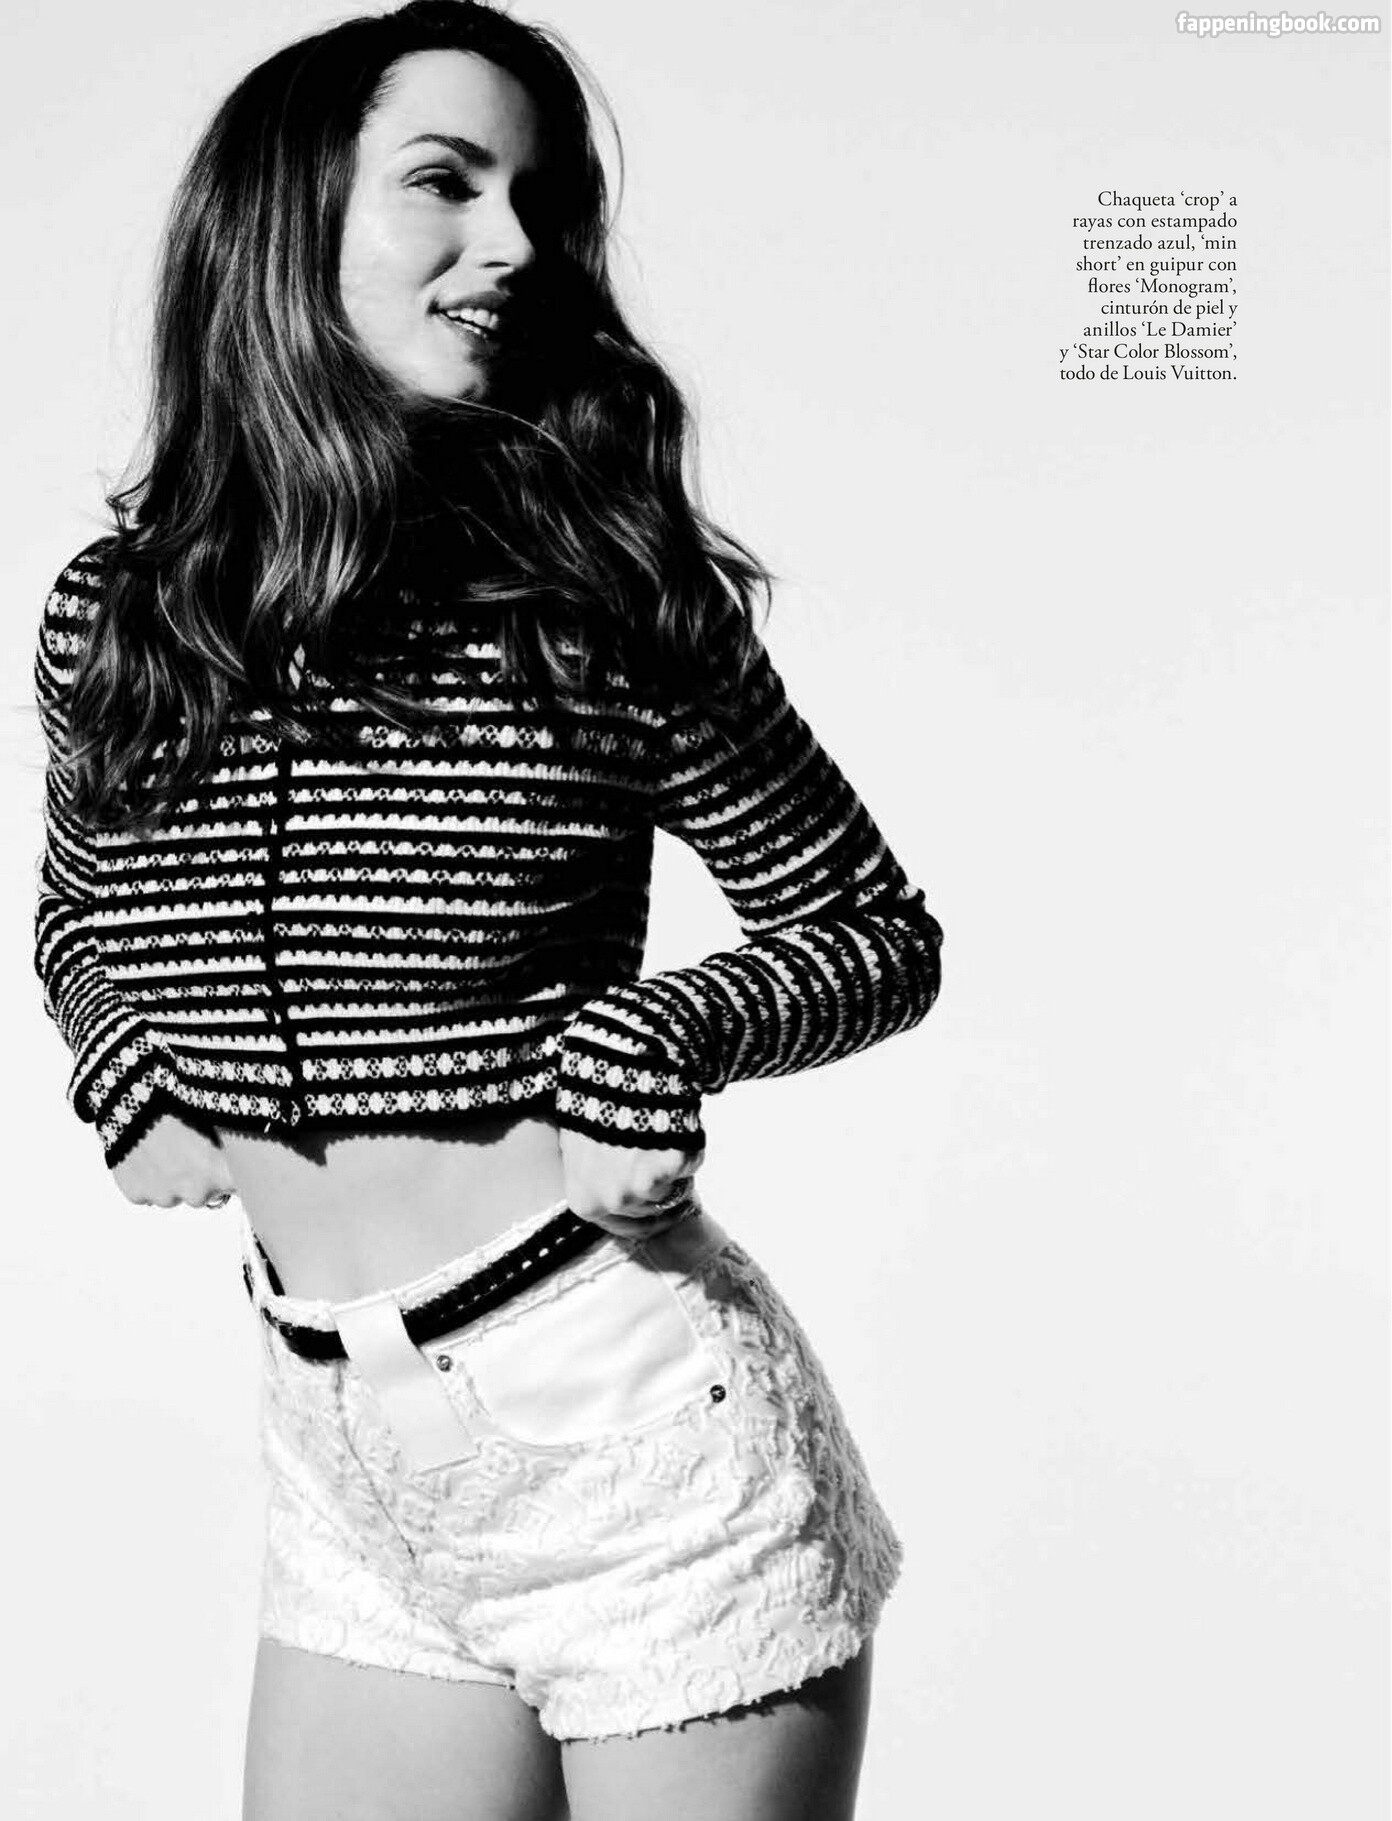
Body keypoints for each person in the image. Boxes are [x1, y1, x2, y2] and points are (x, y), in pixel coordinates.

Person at [31, 4, 944, 1817]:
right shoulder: (123, 613)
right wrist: (118, 1051)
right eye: (447, 182)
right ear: (285, 222)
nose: (515, 241)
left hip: (633, 1444)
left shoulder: (597, 598)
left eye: (540, 197)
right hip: (343, 1459)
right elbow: (78, 908)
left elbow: (869, 928)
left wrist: (656, 1033)